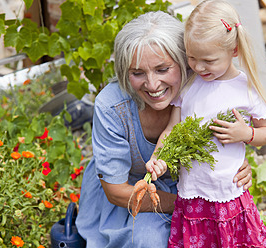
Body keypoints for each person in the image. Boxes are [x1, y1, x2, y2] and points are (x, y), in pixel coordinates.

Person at [76, 10, 253, 248]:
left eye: (162, 69)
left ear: (185, 61)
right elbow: (117, 192)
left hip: (196, 189)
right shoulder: (111, 106)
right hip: (130, 196)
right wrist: (187, 204)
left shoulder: (205, 91)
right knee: (150, 241)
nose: (152, 84)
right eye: (137, 73)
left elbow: (233, 137)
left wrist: (236, 165)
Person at [146, 1, 266, 247]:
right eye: (192, 58)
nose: (199, 67)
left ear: (234, 50)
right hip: (193, 193)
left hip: (229, 192)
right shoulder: (189, 85)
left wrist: (246, 134)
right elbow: (172, 130)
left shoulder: (245, 89)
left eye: (209, 60)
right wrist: (158, 156)